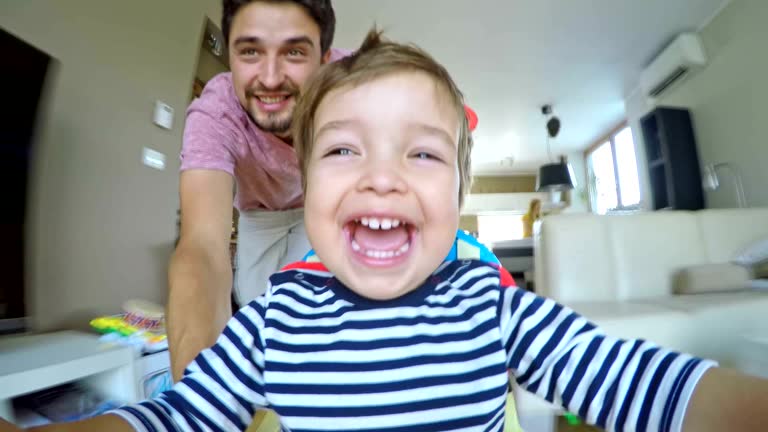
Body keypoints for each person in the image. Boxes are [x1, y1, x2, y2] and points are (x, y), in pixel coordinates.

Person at [5, 29, 768, 432]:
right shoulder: (276, 317)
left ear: (459, 190)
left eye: (423, 153)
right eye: (342, 150)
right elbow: (174, 416)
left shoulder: (491, 306)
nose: (382, 176)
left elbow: (652, 386)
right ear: (306, 188)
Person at [168, 0, 347, 381]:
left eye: (294, 52)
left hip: (321, 200)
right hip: (259, 212)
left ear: (325, 58)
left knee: (316, 308)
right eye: (250, 51)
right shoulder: (215, 114)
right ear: (230, 53)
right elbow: (201, 248)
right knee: (257, 304)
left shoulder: (355, 83)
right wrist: (195, 398)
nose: (269, 79)